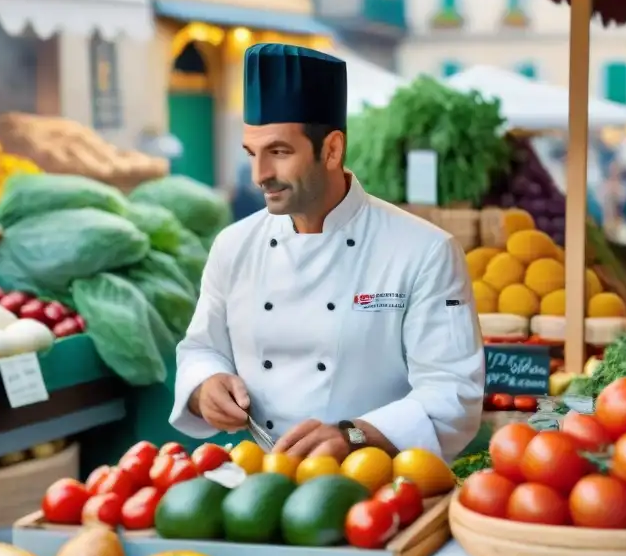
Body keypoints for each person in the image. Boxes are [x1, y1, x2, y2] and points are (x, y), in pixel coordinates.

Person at [168, 43, 485, 463]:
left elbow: (453, 392)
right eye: (252, 153)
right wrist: (205, 386)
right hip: (262, 483)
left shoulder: (425, 251)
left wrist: (355, 436)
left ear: (332, 150)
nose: (260, 175)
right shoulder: (233, 245)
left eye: (279, 152)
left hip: (380, 487)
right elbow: (201, 347)